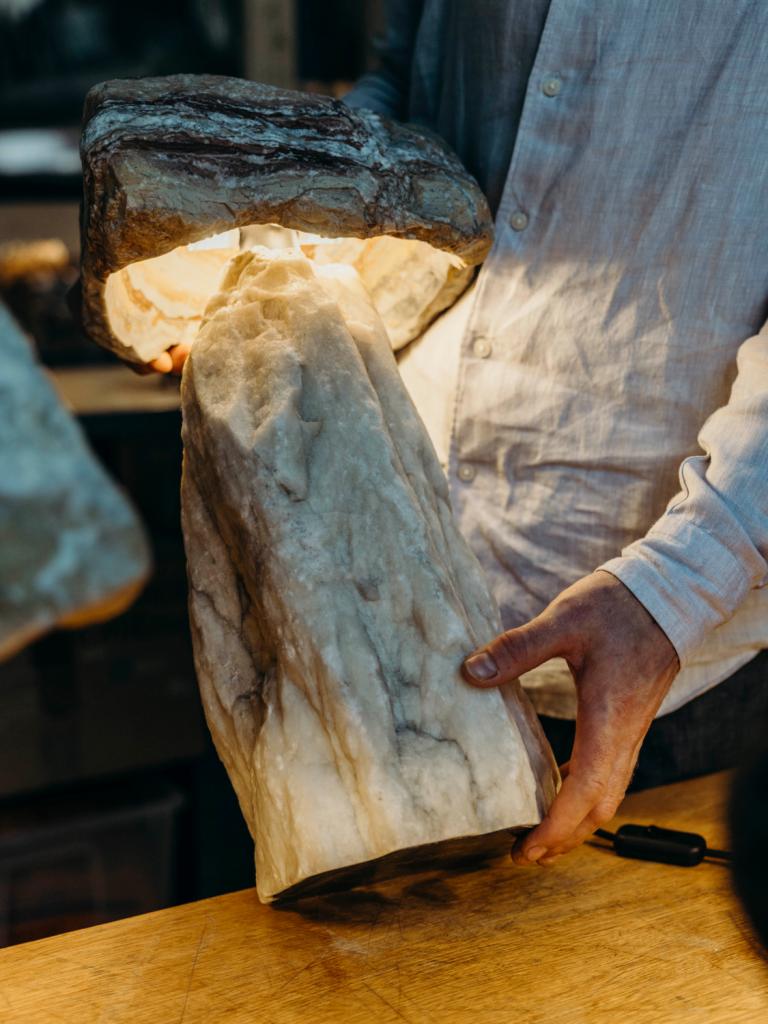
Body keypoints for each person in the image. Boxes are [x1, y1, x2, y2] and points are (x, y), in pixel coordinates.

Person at [151, 3, 768, 868]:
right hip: (373, 575)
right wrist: (285, 236)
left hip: (672, 645)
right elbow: (406, 84)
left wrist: (676, 589)